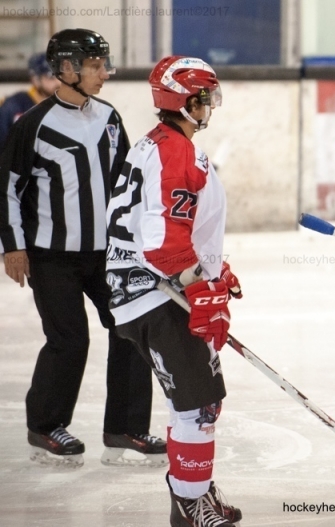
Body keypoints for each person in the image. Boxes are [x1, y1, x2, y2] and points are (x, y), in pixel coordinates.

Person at [0, 28, 164, 468]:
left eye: (103, 64)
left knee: (129, 328)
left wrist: (136, 245)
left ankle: (125, 427)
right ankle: (45, 423)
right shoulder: (33, 125)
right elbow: (9, 190)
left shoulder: (109, 119)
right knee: (69, 339)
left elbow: (127, 186)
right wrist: (13, 247)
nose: (103, 74)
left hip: (105, 255)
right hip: (51, 257)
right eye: (94, 65)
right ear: (66, 69)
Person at [105, 55, 243, 527]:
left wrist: (214, 270)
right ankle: (189, 504)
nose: (209, 106)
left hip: (145, 292)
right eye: (203, 98)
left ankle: (194, 489)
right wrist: (197, 286)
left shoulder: (155, 144)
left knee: (196, 402)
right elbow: (161, 239)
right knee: (198, 406)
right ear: (183, 101)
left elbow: (177, 224)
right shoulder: (176, 151)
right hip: (159, 296)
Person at [0, 53, 60, 151]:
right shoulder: (13, 106)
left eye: (59, 76)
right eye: (50, 77)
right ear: (35, 79)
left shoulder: (67, 104)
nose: (58, 82)